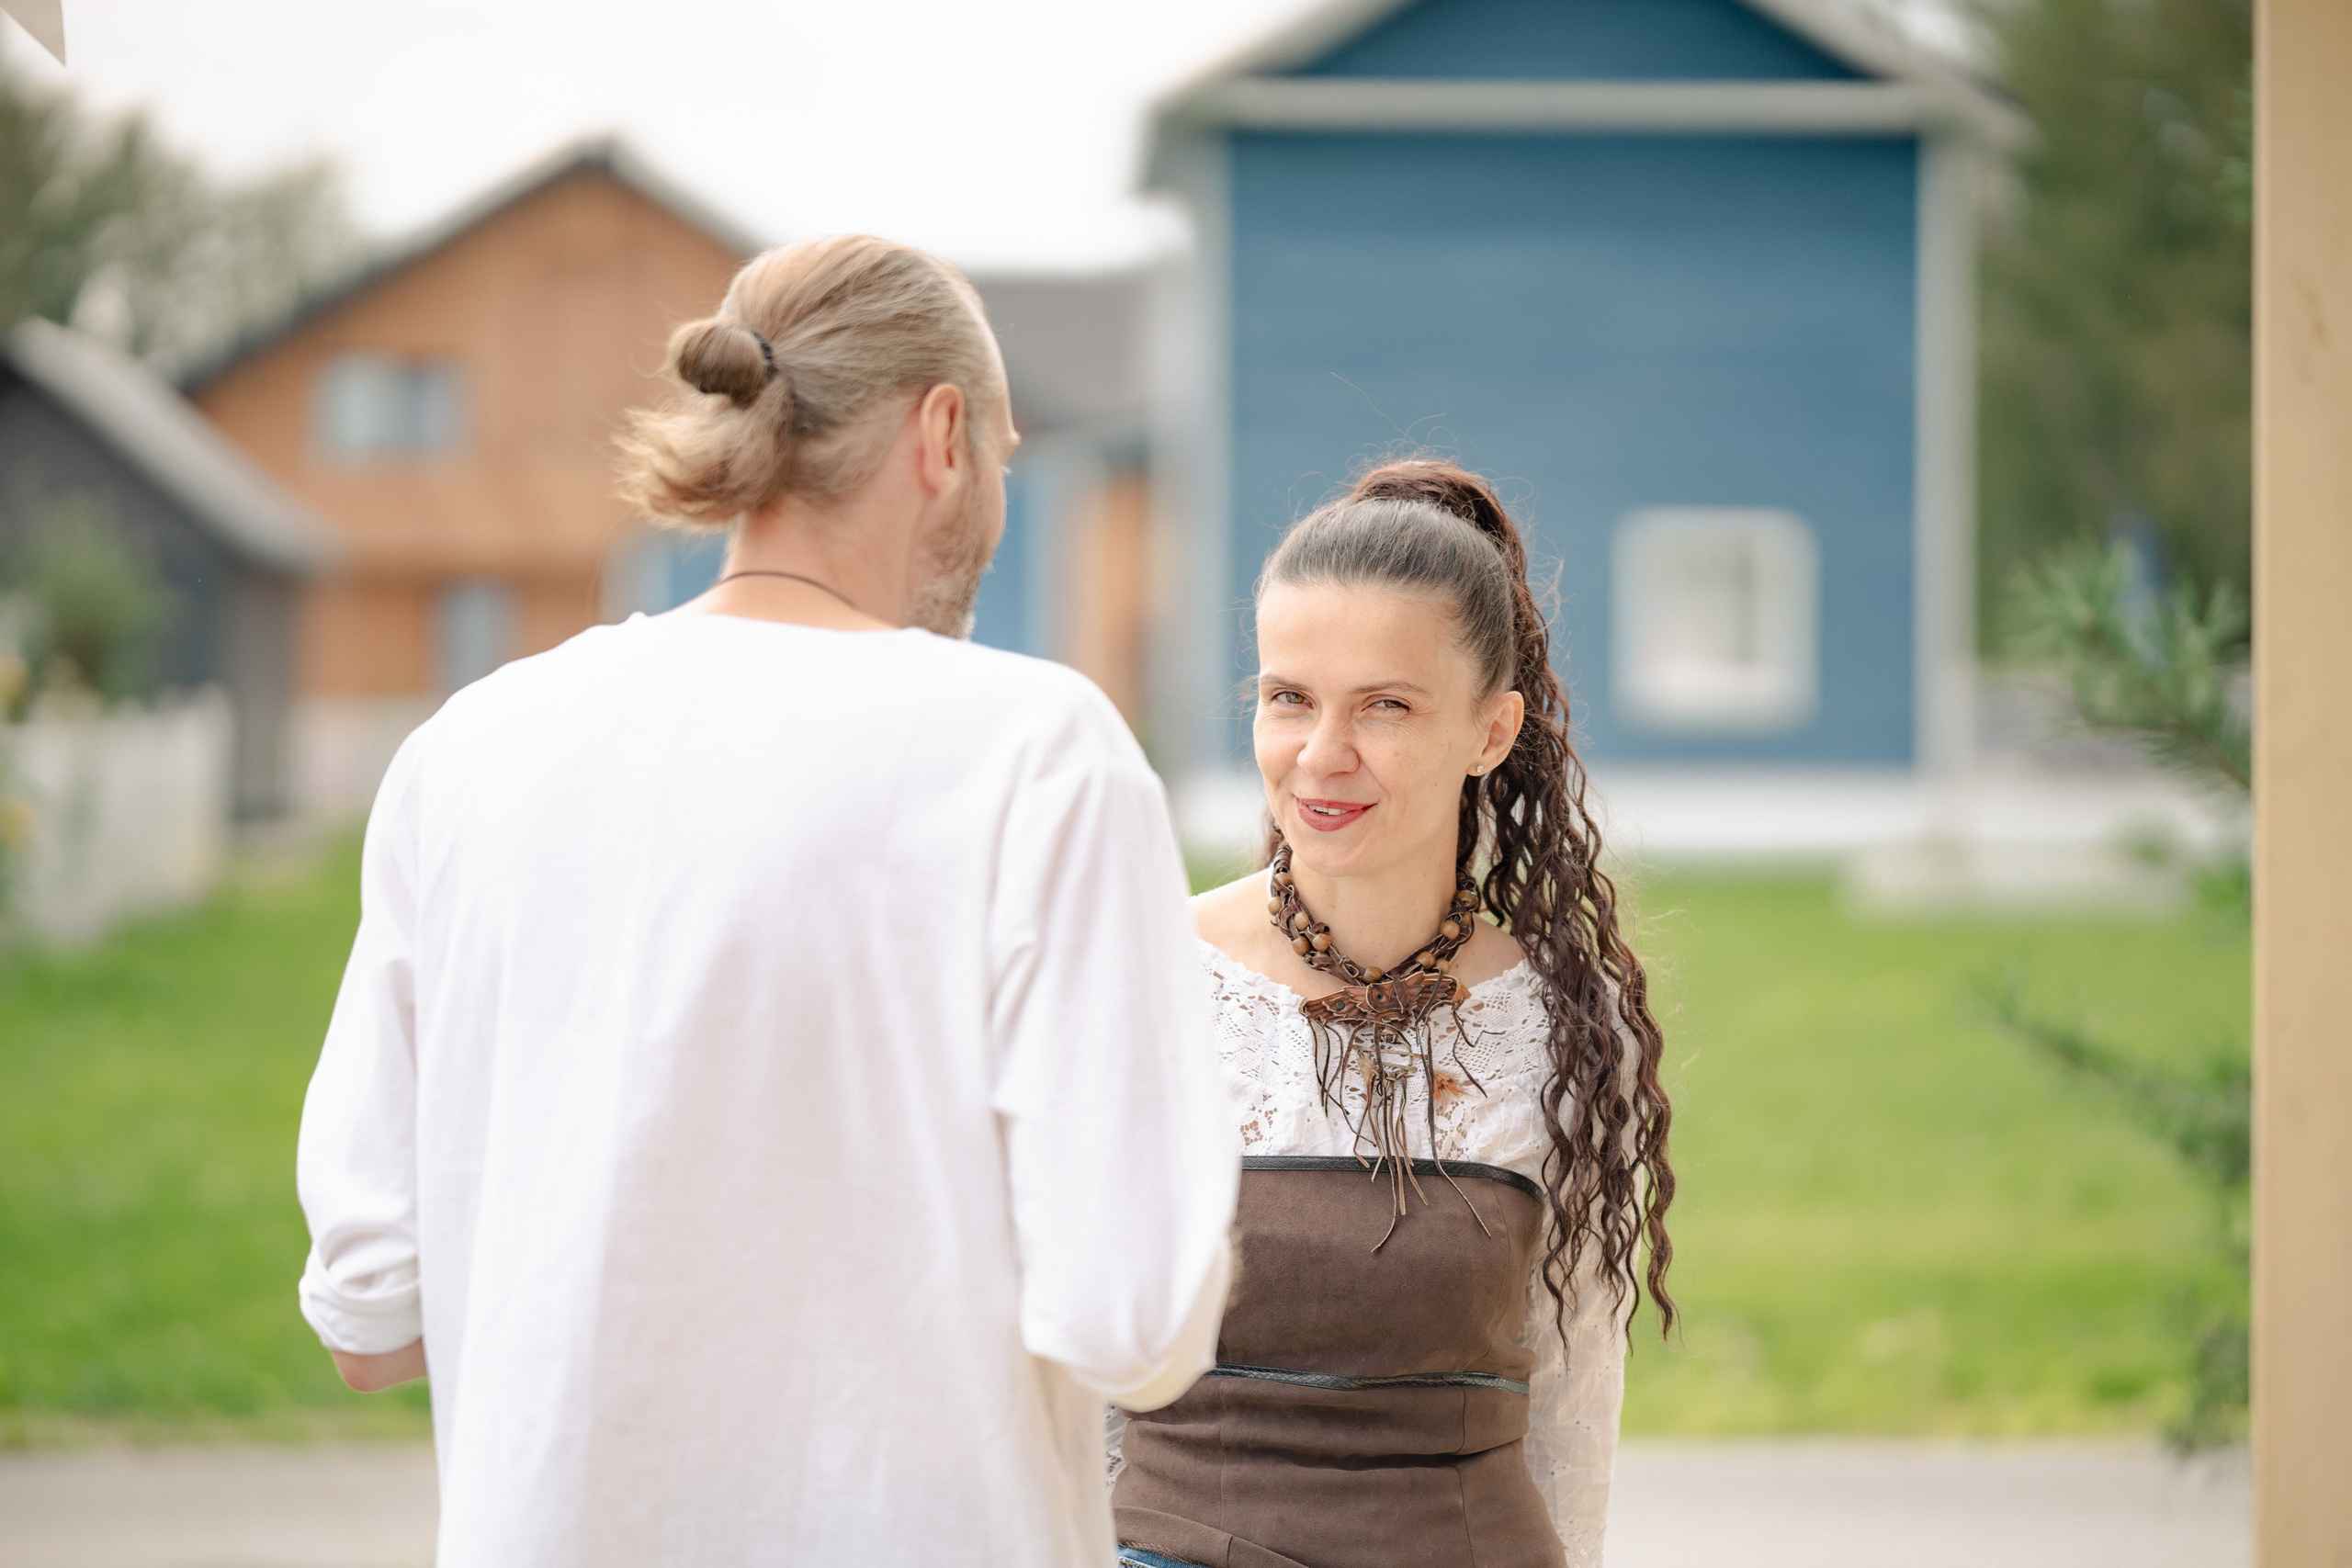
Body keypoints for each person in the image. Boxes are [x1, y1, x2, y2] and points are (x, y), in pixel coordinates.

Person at [294, 235, 1239, 1568]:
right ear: (944, 434)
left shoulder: (470, 746)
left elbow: (368, 1314)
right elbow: (1132, 1320)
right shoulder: (1036, 749)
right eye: (1008, 461)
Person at [1110, 461, 1677, 1568]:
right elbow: (1084, 1388)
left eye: (1385, 705)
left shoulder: (1562, 1014)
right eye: (1288, 698)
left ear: (1490, 731)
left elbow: (1572, 1392)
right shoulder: (1145, 973)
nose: (1322, 755)